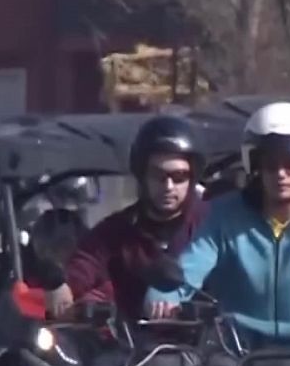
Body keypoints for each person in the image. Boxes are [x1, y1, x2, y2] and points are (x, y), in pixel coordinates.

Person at [143, 101, 290, 346]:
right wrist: (162, 298)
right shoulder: (221, 215)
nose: (280, 173)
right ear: (253, 164)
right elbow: (189, 267)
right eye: (270, 164)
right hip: (236, 353)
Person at [46, 115, 211, 318]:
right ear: (142, 175)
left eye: (179, 178)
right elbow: (87, 260)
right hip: (133, 344)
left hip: (209, 344)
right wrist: (66, 287)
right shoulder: (118, 230)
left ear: (192, 178)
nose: (168, 187)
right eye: (158, 176)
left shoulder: (212, 223)